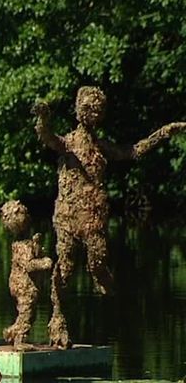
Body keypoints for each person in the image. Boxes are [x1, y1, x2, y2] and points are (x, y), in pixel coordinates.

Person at [33, 86, 186, 349]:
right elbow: (48, 137)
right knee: (65, 269)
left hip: (93, 217)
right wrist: (43, 117)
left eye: (98, 109)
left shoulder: (101, 146)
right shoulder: (68, 143)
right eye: (89, 108)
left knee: (98, 262)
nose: (94, 113)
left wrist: (163, 133)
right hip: (69, 216)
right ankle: (58, 321)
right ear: (80, 111)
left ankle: (114, 300)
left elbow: (133, 151)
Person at [0, 200, 52, 349]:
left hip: (22, 283)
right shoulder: (21, 246)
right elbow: (29, 265)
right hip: (23, 284)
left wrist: (37, 248)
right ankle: (19, 340)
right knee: (27, 312)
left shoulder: (24, 243)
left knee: (29, 313)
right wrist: (44, 262)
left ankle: (12, 332)